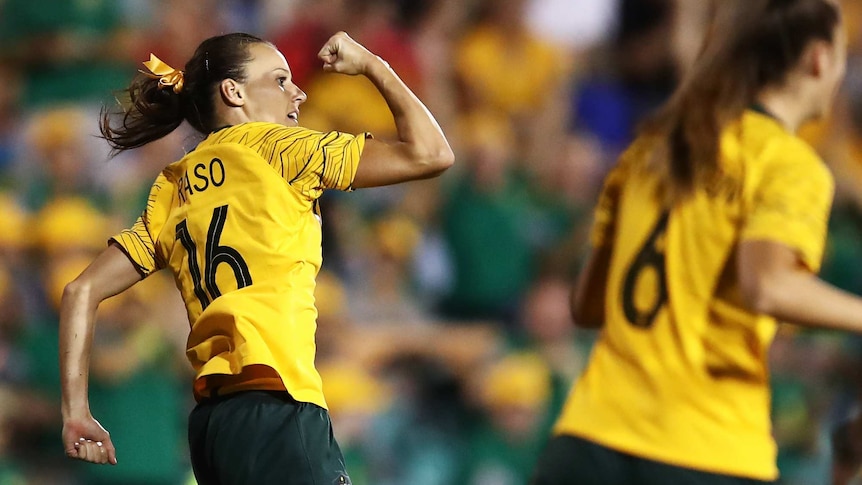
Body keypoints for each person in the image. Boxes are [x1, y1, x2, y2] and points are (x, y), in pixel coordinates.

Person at [59, 31, 453, 485]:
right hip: (278, 404)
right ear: (234, 91)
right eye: (281, 80)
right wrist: (372, 65)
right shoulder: (282, 149)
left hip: (213, 426)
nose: (298, 92)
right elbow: (431, 153)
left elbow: (80, 290)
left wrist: (76, 412)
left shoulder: (171, 186)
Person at [531, 0, 853, 484]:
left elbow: (588, 304)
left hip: (590, 441)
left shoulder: (649, 150)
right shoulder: (788, 165)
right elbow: (767, 286)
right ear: (819, 58)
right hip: (703, 449)